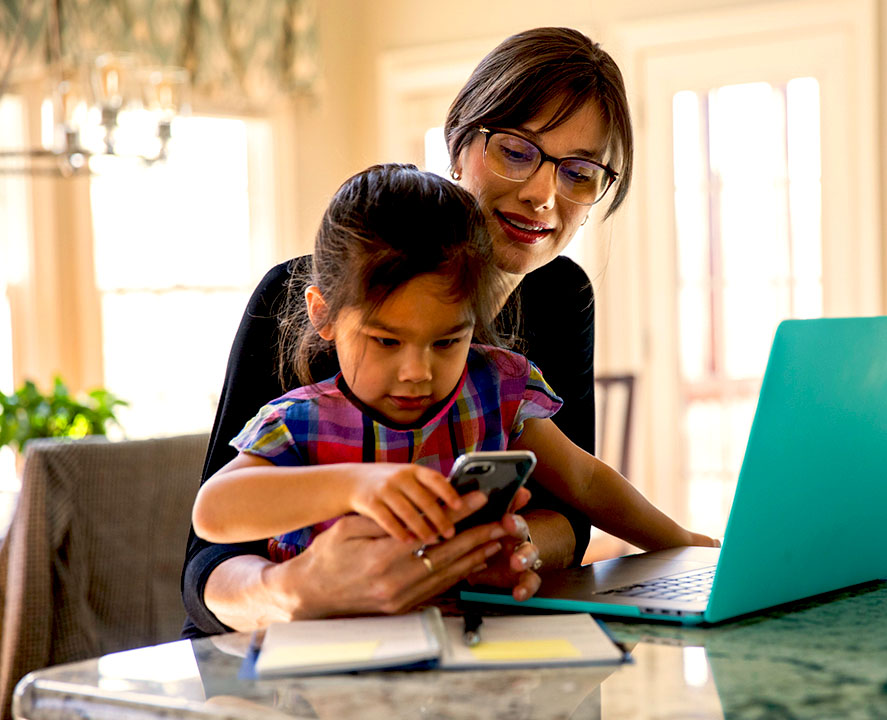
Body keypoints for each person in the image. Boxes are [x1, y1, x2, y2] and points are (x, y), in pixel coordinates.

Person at [181, 27, 636, 636]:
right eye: (516, 150)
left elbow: (571, 504)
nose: (541, 194)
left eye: (579, 172)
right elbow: (205, 562)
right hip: (283, 654)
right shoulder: (311, 297)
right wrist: (296, 590)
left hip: (464, 641)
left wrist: (499, 548)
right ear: (459, 143)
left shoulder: (560, 298)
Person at [190, 164, 716, 578]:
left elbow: (585, 480)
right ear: (323, 315)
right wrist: (356, 486)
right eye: (385, 340)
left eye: (448, 341)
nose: (417, 371)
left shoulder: (497, 388)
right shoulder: (300, 421)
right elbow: (213, 510)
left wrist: (683, 547)